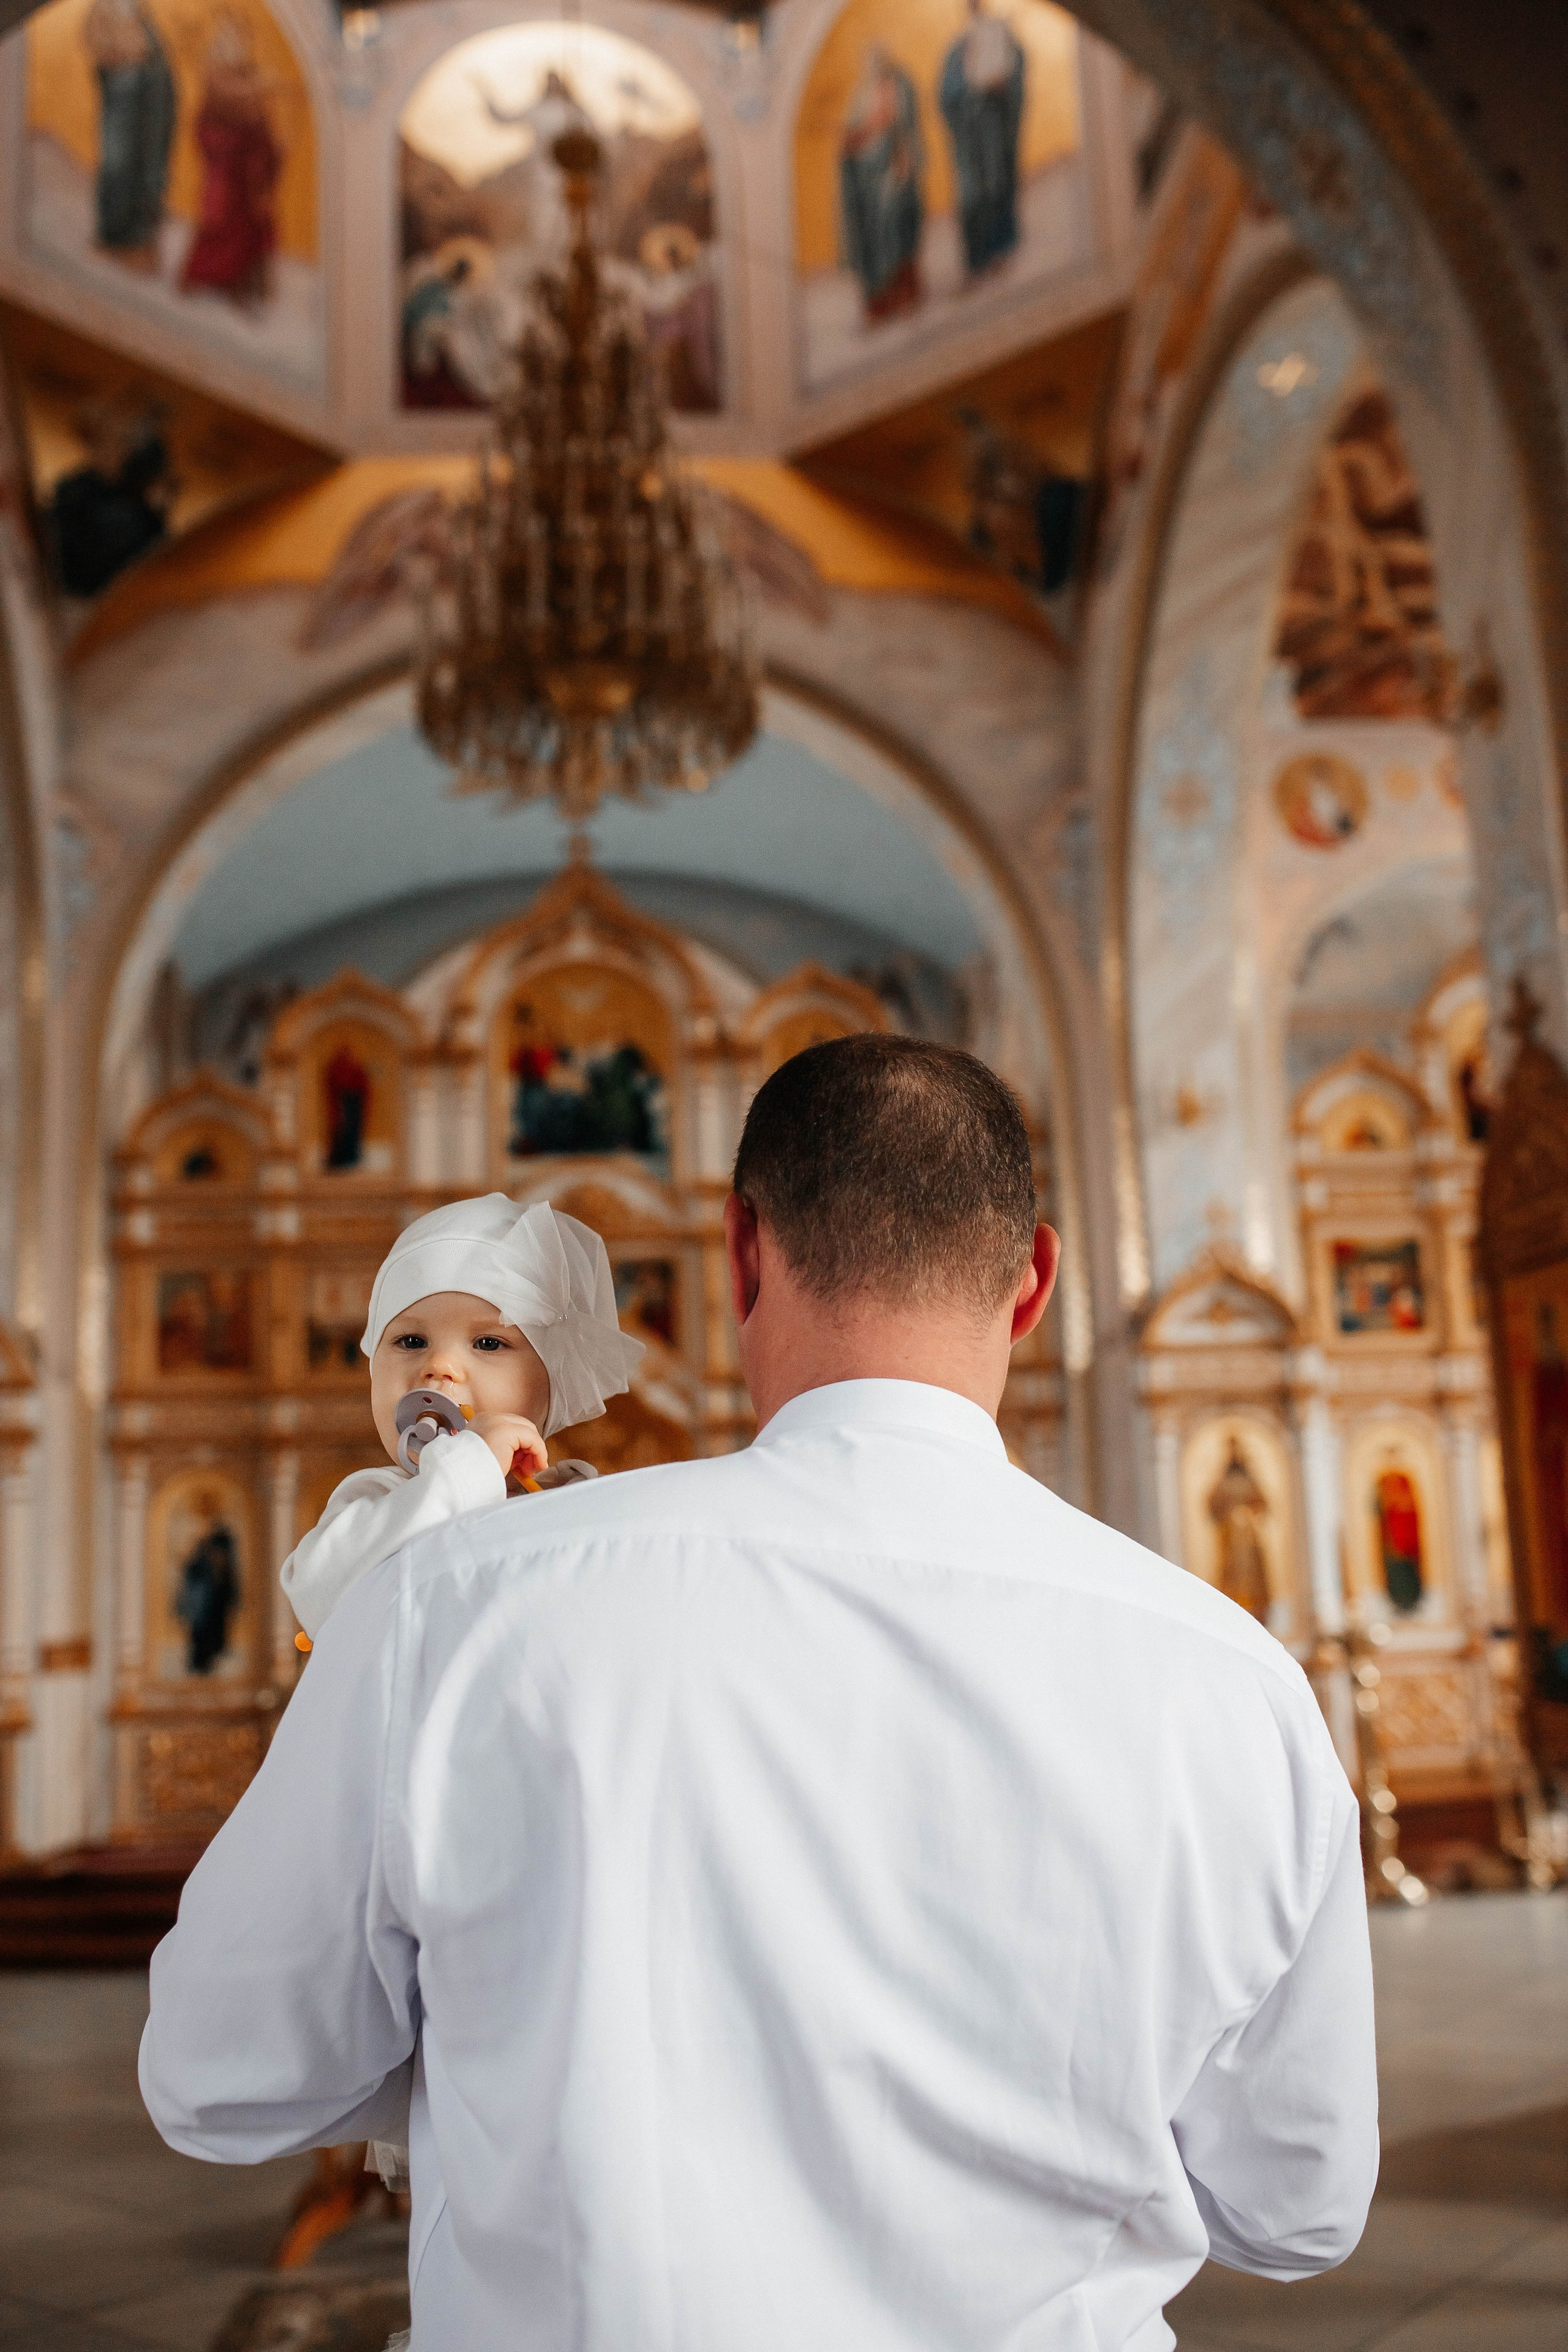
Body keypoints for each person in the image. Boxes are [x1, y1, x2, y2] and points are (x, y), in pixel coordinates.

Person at [141, 1038, 1378, 2351]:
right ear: (1032, 1286)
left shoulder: (456, 1605)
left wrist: (501, 2035)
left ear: (737, 1254)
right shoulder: (1231, 1681)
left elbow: (221, 2082)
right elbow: (1295, 2208)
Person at [279, 1191, 644, 2197]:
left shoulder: (578, 1504)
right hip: (408, 1838)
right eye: (409, 1340)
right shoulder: (372, 1507)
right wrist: (467, 1468)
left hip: (550, 1832)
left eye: (487, 1341)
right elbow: (335, 1589)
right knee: (451, 2103)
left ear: (547, 1376)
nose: (441, 1368)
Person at [939, 0, 1026, 280]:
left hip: (995, 132)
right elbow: (946, 94)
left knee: (997, 187)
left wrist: (1003, 82)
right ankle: (977, 260)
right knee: (973, 197)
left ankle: (1000, 251)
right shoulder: (958, 51)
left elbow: (1016, 69)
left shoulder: (1001, 36)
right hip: (970, 140)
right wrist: (971, 86)